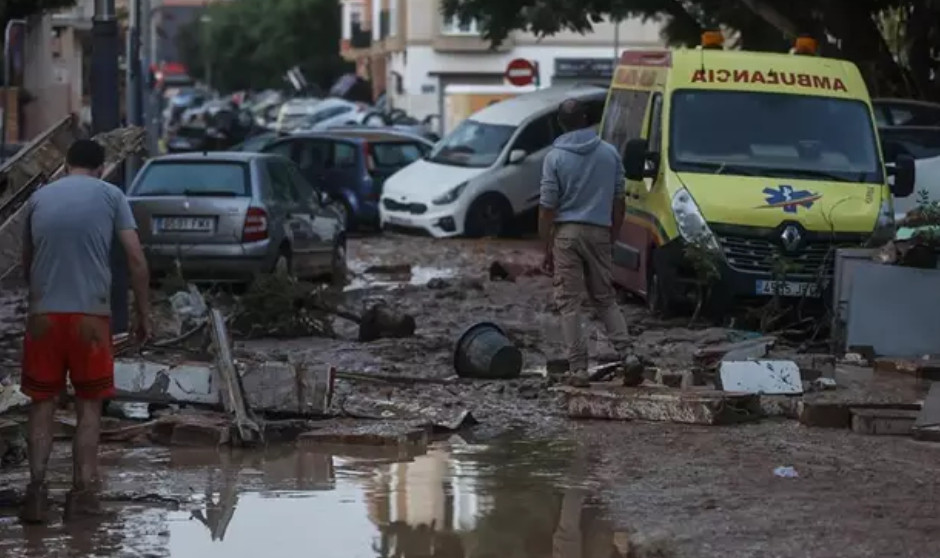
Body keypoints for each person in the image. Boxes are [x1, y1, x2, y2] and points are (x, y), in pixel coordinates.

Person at [19, 139, 152, 523]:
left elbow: (27, 265)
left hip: (43, 316)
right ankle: (81, 499)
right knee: (88, 408)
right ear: (101, 166)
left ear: (66, 163)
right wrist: (143, 315)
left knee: (41, 405)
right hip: (91, 321)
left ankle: (37, 495)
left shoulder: (39, 199)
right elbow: (136, 260)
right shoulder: (111, 195)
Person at [539, 98, 637, 387]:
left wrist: (546, 247)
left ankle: (579, 370)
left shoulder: (554, 158)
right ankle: (628, 355)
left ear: (561, 123)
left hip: (567, 234)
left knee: (569, 304)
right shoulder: (609, 154)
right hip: (600, 231)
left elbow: (547, 207)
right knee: (605, 298)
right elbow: (620, 201)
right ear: (586, 119)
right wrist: (613, 234)